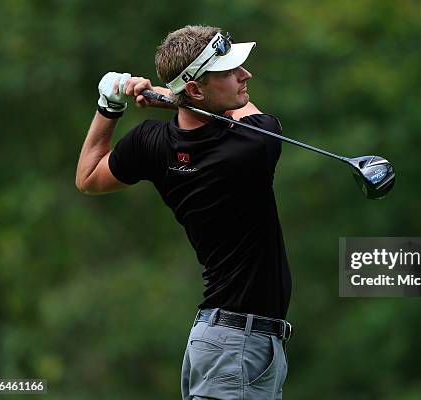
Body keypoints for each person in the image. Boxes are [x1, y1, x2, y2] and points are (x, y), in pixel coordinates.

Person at [75, 25, 292, 399]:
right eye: (229, 71)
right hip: (236, 348)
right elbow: (249, 115)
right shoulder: (253, 145)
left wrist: (109, 106)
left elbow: (89, 177)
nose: (245, 75)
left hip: (219, 343)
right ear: (194, 89)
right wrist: (168, 97)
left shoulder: (152, 143)